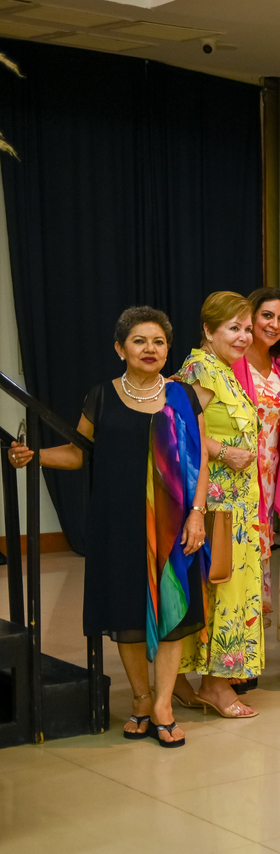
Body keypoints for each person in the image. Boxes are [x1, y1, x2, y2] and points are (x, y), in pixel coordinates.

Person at [9, 307, 207, 747]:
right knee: (126, 613)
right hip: (116, 523)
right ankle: (141, 698)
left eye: (158, 341)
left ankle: (163, 705)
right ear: (120, 349)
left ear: (168, 349)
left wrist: (197, 512)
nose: (150, 349)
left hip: (173, 522)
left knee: (172, 612)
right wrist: (35, 456)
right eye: (139, 341)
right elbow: (78, 453)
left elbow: (200, 458)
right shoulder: (101, 396)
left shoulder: (183, 396)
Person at [175, 292, 263, 717]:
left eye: (247, 328)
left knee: (221, 587)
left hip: (238, 504)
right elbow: (178, 429)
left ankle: (181, 680)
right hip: (215, 503)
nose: (244, 336)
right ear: (209, 331)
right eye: (234, 328)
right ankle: (215, 684)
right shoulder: (201, 369)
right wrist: (224, 452)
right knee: (222, 588)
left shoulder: (225, 369)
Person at [231, 287, 280, 676]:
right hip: (236, 477)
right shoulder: (229, 362)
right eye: (267, 316)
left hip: (271, 480)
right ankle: (233, 659)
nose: (274, 325)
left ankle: (247, 656)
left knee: (258, 561)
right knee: (237, 563)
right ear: (250, 318)